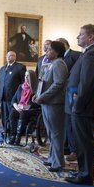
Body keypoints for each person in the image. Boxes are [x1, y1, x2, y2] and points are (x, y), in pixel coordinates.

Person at [64, 24, 94, 185]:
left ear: (91, 37)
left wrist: (77, 105)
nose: (77, 37)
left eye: (80, 34)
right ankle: (83, 170)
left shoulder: (93, 53)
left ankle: (86, 175)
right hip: (79, 105)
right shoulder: (87, 52)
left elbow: (86, 83)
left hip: (82, 107)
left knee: (84, 142)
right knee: (81, 141)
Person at [32, 41, 68, 172]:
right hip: (47, 102)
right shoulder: (51, 63)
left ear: (57, 52)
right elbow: (44, 83)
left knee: (56, 133)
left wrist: (43, 97)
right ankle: (52, 159)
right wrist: (37, 95)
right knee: (51, 133)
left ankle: (58, 163)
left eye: (49, 50)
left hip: (55, 103)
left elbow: (58, 84)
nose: (46, 52)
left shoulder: (59, 63)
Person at [56, 37, 81, 162]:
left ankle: (74, 150)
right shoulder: (59, 59)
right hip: (62, 95)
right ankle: (66, 146)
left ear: (63, 45)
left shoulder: (77, 55)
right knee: (65, 122)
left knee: (72, 124)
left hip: (73, 94)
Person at [0, 51, 26, 143]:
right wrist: (0, 94)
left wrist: (21, 98)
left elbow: (24, 84)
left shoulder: (20, 67)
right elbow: (1, 83)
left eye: (12, 55)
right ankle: (6, 131)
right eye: (8, 55)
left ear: (15, 57)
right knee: (4, 116)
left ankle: (13, 134)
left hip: (14, 98)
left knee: (12, 117)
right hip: (3, 97)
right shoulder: (2, 69)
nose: (9, 57)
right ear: (6, 56)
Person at [9, 70, 39, 145]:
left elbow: (36, 104)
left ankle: (18, 136)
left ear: (32, 77)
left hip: (31, 109)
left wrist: (24, 107)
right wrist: (16, 106)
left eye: (28, 76)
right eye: (25, 76)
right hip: (20, 107)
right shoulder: (21, 87)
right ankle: (13, 135)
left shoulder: (37, 88)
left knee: (23, 113)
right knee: (13, 113)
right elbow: (14, 100)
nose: (26, 77)